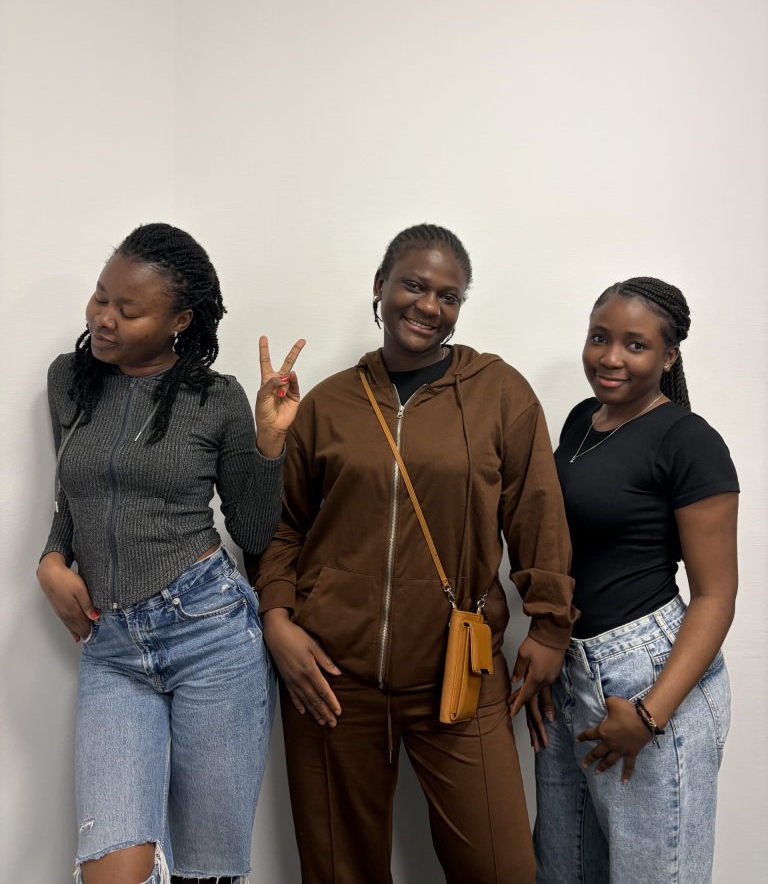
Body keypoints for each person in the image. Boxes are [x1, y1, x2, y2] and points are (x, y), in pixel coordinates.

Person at [248, 223, 577, 884]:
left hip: (458, 670)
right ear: (380, 286)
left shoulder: (499, 393)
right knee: (340, 871)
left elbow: (537, 513)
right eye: (414, 286)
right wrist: (277, 618)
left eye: (448, 296)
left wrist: (550, 625)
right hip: (330, 678)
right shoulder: (328, 402)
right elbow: (285, 529)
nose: (429, 306)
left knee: (502, 869)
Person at [37, 223, 304, 884]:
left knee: (205, 873)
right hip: (113, 648)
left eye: (129, 310)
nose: (104, 318)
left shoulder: (216, 398)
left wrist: (269, 444)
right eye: (101, 297)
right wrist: (51, 560)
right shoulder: (71, 380)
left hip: (210, 635)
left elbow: (254, 531)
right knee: (111, 868)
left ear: (179, 321)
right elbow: (75, 492)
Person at [530, 277, 739, 884]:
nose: (610, 357)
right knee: (563, 870)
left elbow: (717, 596)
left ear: (669, 356)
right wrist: (549, 640)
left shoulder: (690, 441)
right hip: (572, 671)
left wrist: (651, 715)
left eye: (635, 344)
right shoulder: (581, 421)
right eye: (599, 338)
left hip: (646, 674)